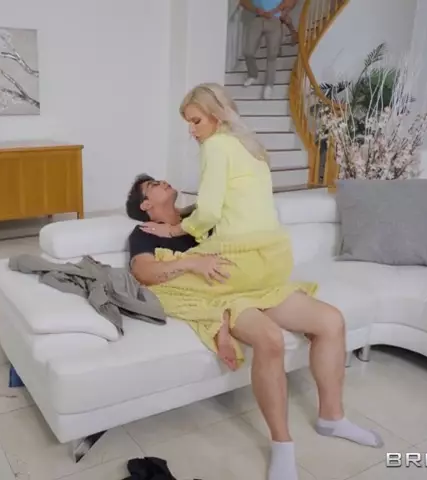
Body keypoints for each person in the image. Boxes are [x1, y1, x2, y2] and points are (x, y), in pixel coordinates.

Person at [125, 83, 382, 480]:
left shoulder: (198, 208)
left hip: (251, 273)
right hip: (226, 288)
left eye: (195, 121)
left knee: (331, 321)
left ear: (216, 115)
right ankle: (282, 444)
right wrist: (190, 259)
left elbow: (215, 211)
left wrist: (183, 229)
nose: (191, 131)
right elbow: (144, 271)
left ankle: (332, 417)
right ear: (146, 206)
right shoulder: (145, 232)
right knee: (270, 339)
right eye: (189, 123)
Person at [240, 0, 285, 98]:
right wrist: (256, 9)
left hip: (274, 20)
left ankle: (269, 84)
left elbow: (290, 2)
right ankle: (252, 75)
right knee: (248, 51)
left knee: (272, 55)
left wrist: (275, 11)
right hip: (257, 19)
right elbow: (243, 1)